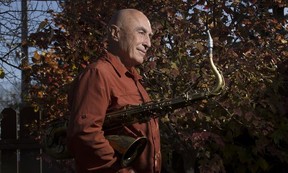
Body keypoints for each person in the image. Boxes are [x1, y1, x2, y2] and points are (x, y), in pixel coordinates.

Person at [67, 9, 161, 173]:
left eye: (150, 36)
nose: (148, 43)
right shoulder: (98, 73)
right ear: (115, 33)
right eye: (141, 32)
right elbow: (85, 133)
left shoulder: (135, 81)